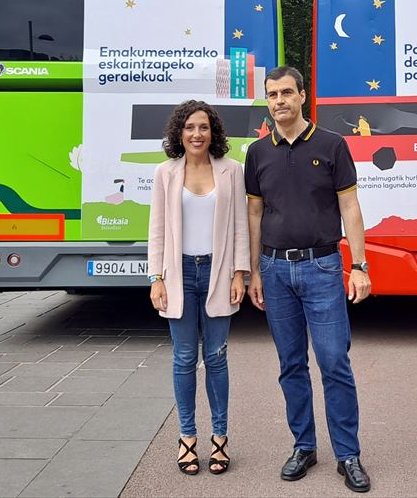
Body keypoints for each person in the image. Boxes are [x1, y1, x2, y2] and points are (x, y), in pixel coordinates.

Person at [244, 66, 373, 493]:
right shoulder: (258, 153)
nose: (278, 101)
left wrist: (360, 265)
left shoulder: (332, 146)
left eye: (286, 92)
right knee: (291, 365)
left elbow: (350, 209)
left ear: (302, 95)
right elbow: (255, 214)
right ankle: (304, 446)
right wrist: (255, 271)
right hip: (276, 271)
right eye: (271, 95)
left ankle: (348, 454)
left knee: (334, 362)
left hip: (322, 269)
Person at [146, 100, 248, 476]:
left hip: (218, 273)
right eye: (189, 127)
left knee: (217, 358)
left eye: (203, 127)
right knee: (185, 358)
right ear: (179, 132)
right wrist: (156, 276)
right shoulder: (165, 173)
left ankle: (219, 438)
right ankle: (187, 437)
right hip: (179, 274)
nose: (196, 134)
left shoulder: (231, 171)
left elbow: (240, 225)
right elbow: (156, 228)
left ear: (213, 132)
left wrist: (240, 273)